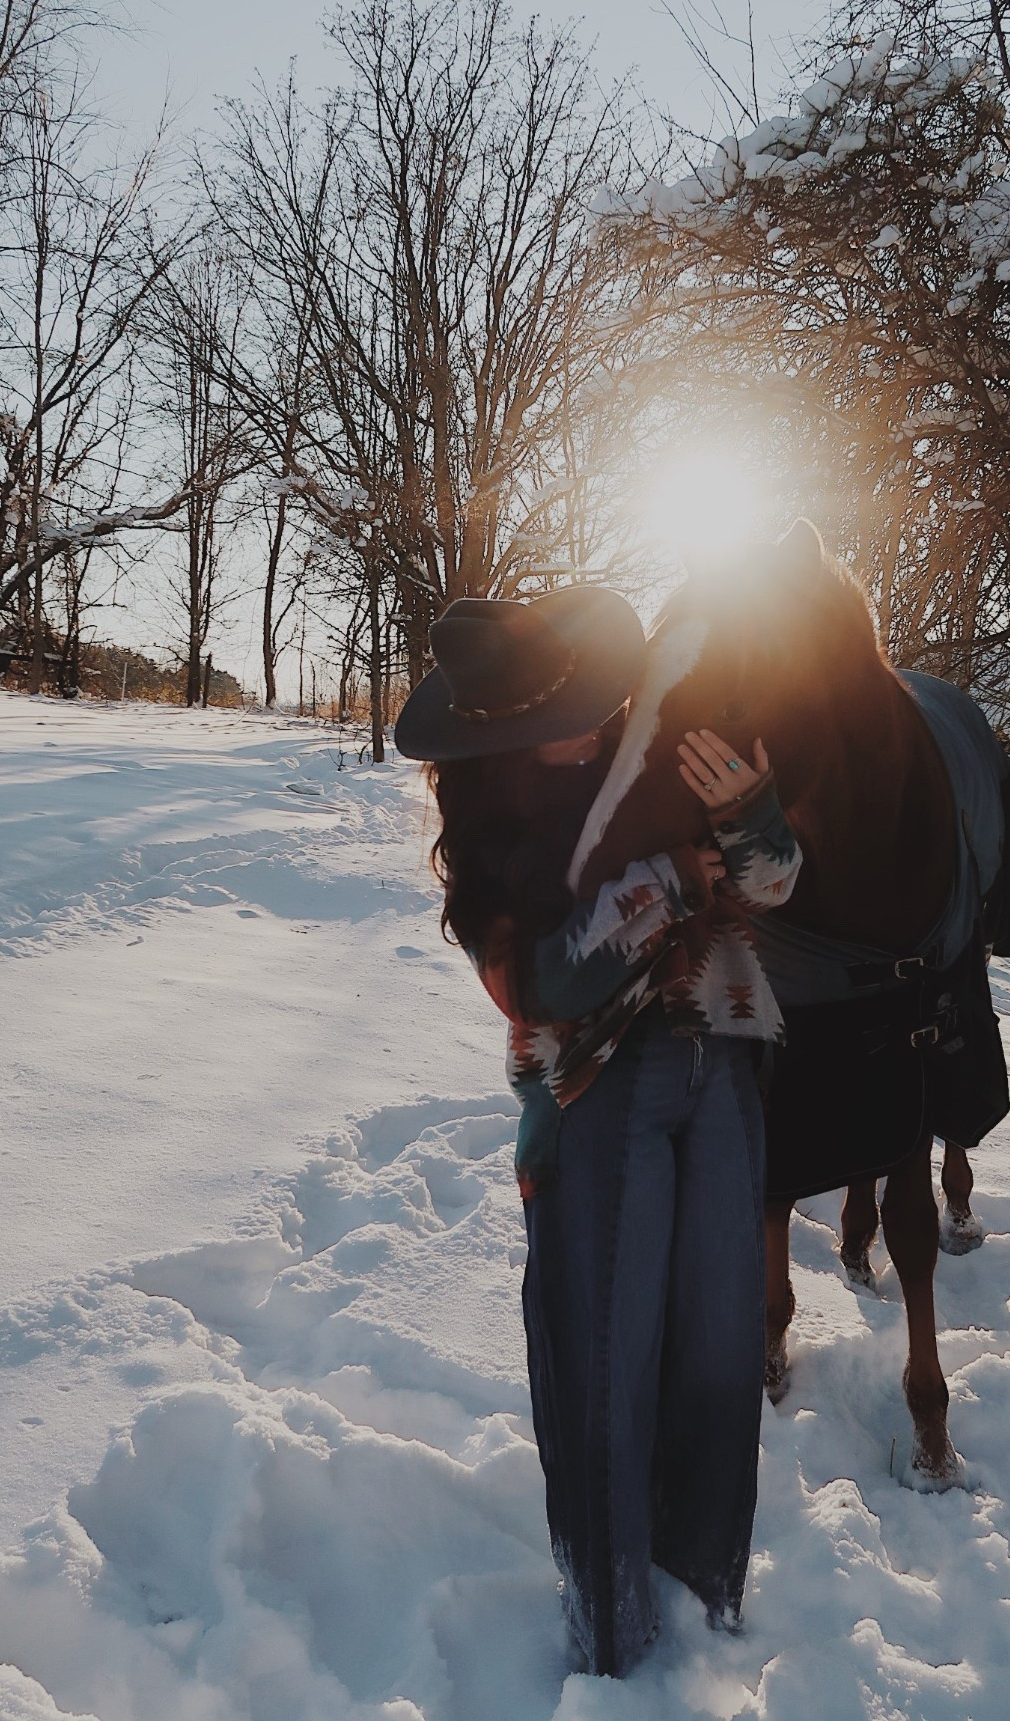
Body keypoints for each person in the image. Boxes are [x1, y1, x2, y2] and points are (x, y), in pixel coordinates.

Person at [395, 585, 801, 1677]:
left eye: (577, 697)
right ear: (489, 729)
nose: (580, 720)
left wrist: (756, 812)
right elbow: (539, 980)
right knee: (604, 1365)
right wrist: (669, 881)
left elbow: (771, 881)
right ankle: (613, 1637)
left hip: (720, 1067)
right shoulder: (486, 833)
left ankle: (706, 1595)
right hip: (592, 1100)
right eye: (549, 713)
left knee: (720, 1345)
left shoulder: (660, 755)